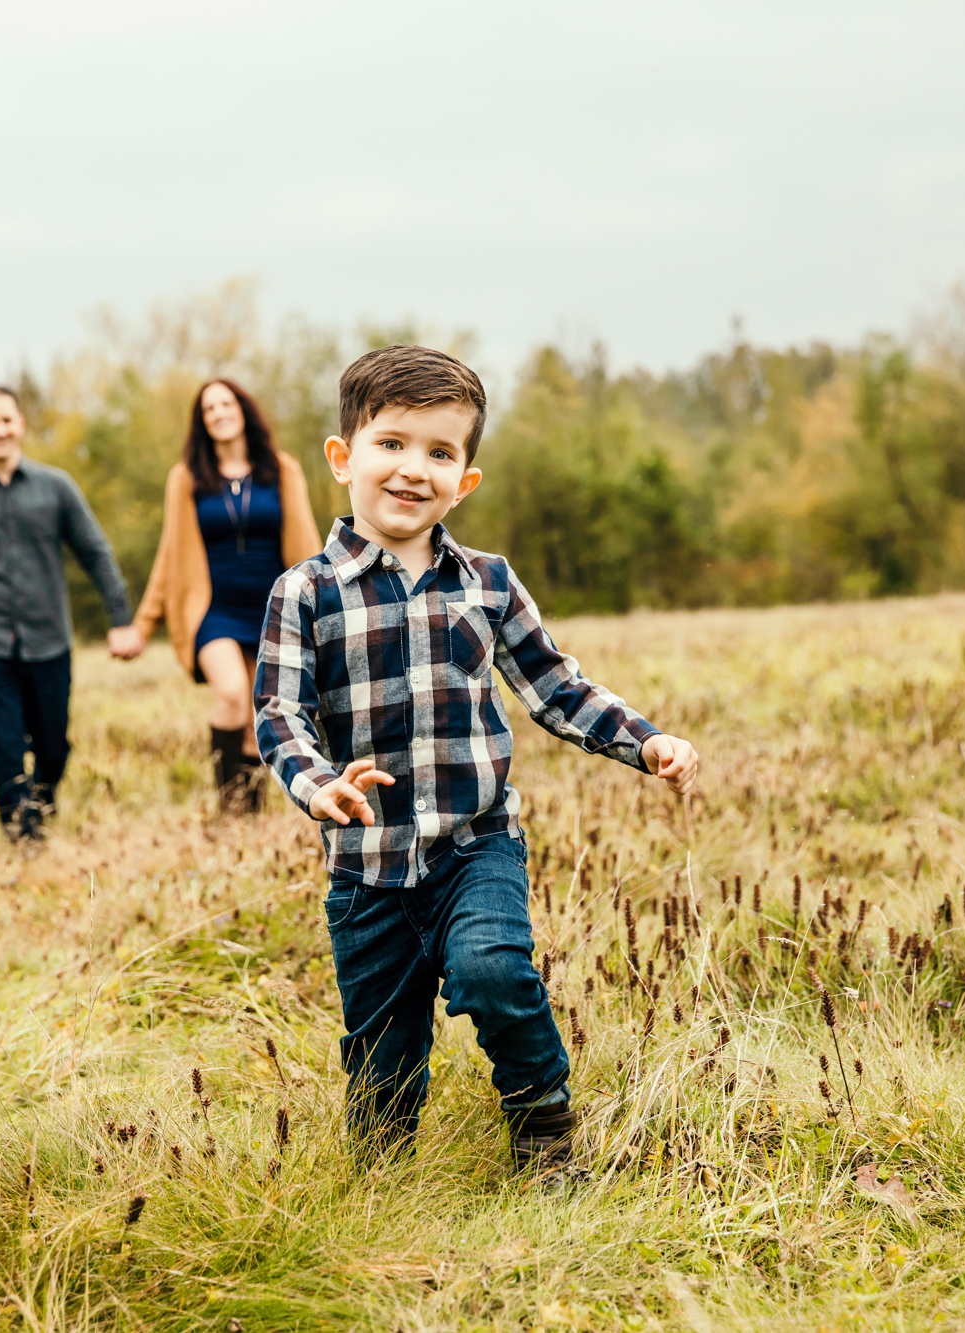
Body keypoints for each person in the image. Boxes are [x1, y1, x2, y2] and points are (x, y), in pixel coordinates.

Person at [255, 345, 701, 1171]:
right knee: (382, 1060)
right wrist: (318, 786)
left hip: (477, 844)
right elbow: (279, 712)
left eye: (440, 452)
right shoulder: (304, 591)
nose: (413, 469)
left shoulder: (489, 582)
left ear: (465, 478)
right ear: (343, 457)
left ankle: (544, 1130)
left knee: (492, 971)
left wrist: (646, 739)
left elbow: (555, 687)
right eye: (391, 444)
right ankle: (383, 1178)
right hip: (367, 865)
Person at [0, 385, 141, 842]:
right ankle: (23, 837)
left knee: (53, 746)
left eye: (6, 420)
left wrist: (120, 618)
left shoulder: (56, 487)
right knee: (3, 749)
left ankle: (40, 802)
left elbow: (95, 552)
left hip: (49, 639)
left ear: (20, 424)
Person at [119, 379, 319, 810]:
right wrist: (142, 624)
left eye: (226, 403)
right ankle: (227, 808)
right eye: (209, 409)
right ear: (202, 422)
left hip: (271, 608)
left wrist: (330, 604)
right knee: (230, 693)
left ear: (243, 410)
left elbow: (307, 544)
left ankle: (247, 813)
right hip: (214, 609)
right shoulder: (187, 478)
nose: (219, 413)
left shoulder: (283, 469)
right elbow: (169, 554)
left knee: (257, 715)